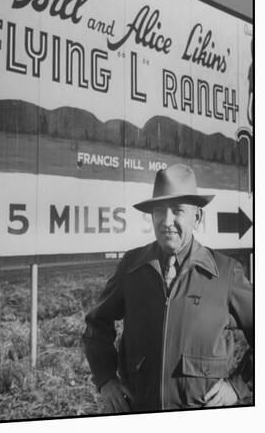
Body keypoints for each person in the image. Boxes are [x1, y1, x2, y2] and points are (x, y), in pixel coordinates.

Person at [82, 163, 253, 412]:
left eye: (178, 211)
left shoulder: (226, 273)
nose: (167, 221)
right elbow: (96, 324)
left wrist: (239, 384)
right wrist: (106, 380)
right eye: (159, 211)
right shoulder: (132, 266)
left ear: (197, 217)